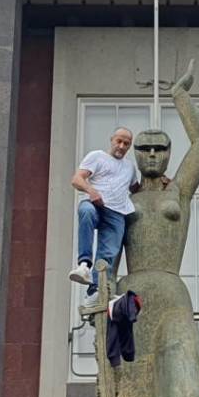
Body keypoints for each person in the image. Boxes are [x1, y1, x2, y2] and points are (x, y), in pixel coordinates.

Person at [70, 127, 140, 303]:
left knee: (108, 252)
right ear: (112, 140)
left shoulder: (130, 167)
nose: (122, 146)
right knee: (85, 212)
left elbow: (136, 189)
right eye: (119, 141)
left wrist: (161, 181)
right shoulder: (98, 157)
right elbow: (77, 179)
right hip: (96, 204)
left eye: (126, 143)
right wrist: (91, 191)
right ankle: (84, 264)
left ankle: (94, 291)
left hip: (116, 212)